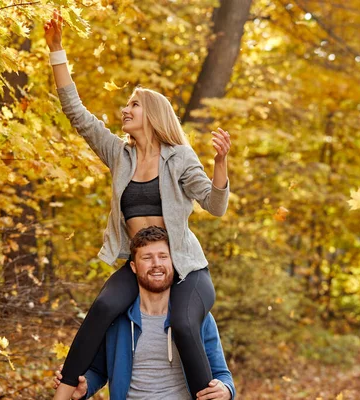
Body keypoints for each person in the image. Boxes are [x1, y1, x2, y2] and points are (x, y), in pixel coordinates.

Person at [43, 10, 232, 400]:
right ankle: (63, 394)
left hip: (184, 267)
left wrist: (220, 165)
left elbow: (214, 206)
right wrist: (57, 52)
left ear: (152, 113)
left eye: (133, 105)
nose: (124, 110)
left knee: (182, 323)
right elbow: (77, 115)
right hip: (140, 263)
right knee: (102, 307)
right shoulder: (119, 155)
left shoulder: (179, 156)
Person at [52, 226, 235, 400]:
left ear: (174, 262)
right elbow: (99, 371)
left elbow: (221, 374)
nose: (156, 264)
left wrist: (225, 390)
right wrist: (85, 386)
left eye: (163, 256)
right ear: (133, 266)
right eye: (147, 258)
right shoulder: (117, 320)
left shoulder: (196, 317)